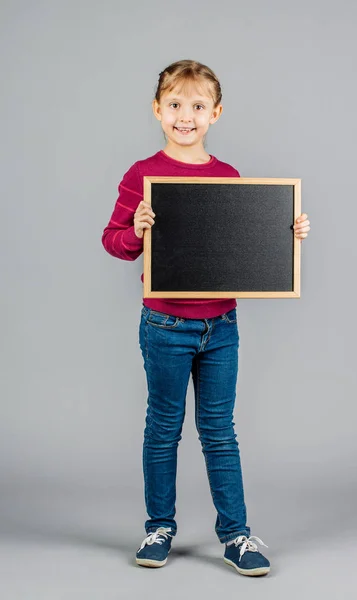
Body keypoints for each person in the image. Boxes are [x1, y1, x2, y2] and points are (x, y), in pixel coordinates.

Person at [101, 59, 311, 577]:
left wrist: (286, 235)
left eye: (197, 106)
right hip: (165, 326)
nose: (185, 116)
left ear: (215, 113)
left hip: (222, 328)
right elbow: (114, 242)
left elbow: (238, 248)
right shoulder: (141, 174)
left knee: (219, 431)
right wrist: (137, 230)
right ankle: (160, 527)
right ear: (157, 110)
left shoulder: (228, 177)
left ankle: (236, 535)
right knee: (163, 429)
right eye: (175, 105)